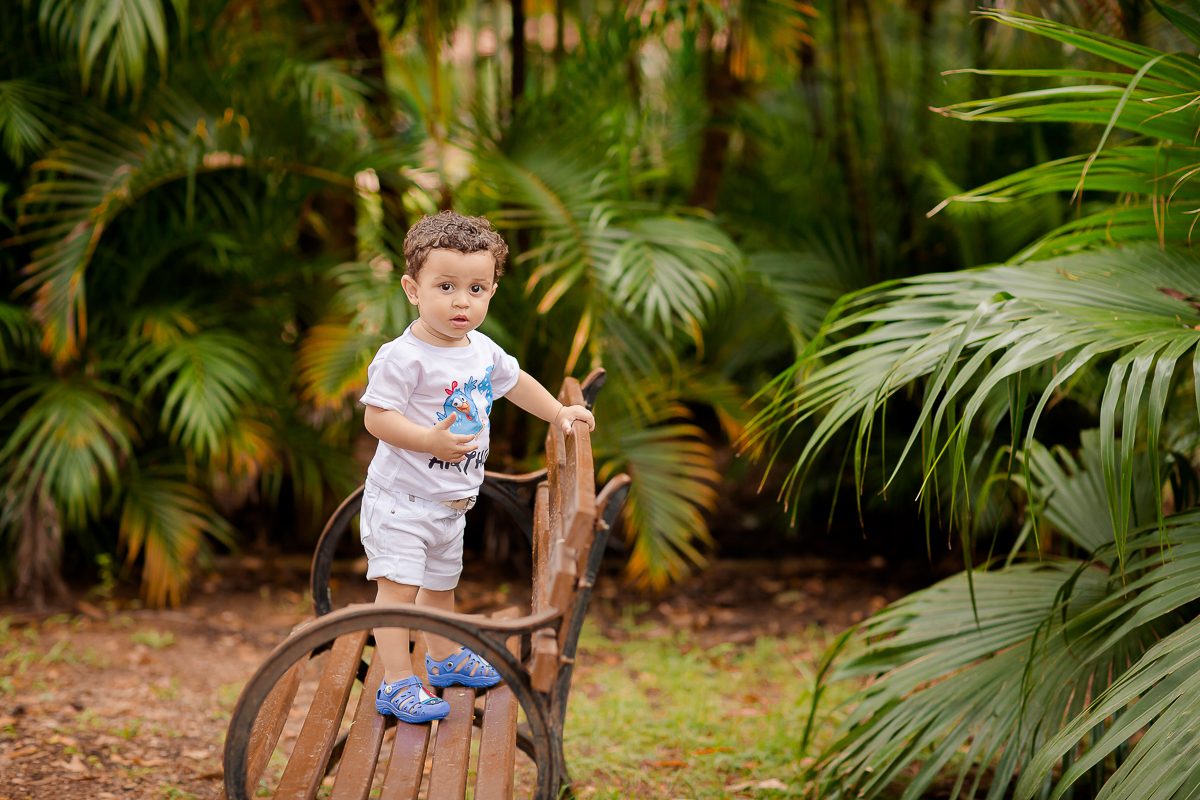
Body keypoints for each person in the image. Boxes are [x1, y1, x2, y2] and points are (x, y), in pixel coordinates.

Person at [359, 211, 596, 723]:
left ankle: (442, 661)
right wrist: (427, 439)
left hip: (450, 504)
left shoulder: (480, 350)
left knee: (441, 586)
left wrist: (558, 414)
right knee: (397, 593)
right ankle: (396, 682)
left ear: (491, 292)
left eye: (477, 288)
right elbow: (377, 418)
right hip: (401, 501)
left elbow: (515, 382)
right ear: (413, 288)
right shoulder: (403, 357)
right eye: (446, 286)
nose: (462, 301)